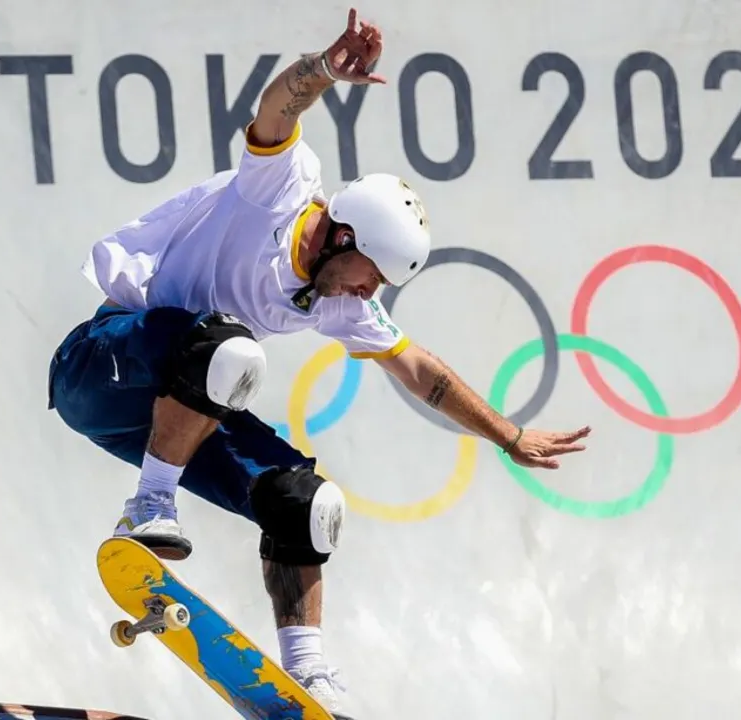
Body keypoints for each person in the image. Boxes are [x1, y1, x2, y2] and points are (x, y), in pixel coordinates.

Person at [46, 8, 590, 717]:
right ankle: (148, 506)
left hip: (166, 415)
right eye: (372, 272)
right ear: (342, 234)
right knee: (225, 347)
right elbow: (277, 106)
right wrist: (326, 71)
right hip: (101, 365)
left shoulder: (335, 300)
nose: (372, 291)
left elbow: (421, 373)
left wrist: (507, 437)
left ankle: (305, 675)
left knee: (305, 500)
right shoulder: (277, 189)